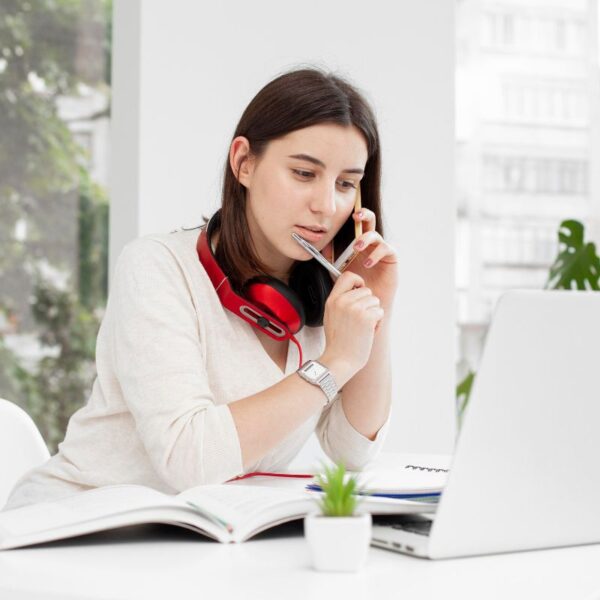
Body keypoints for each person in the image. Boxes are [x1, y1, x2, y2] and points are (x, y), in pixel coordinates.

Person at [3, 67, 397, 511]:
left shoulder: (320, 296)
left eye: (346, 184)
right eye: (304, 173)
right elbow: (188, 459)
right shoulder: (157, 267)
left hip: (191, 538)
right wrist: (333, 363)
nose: (326, 205)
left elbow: (352, 451)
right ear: (244, 162)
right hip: (76, 524)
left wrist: (375, 313)